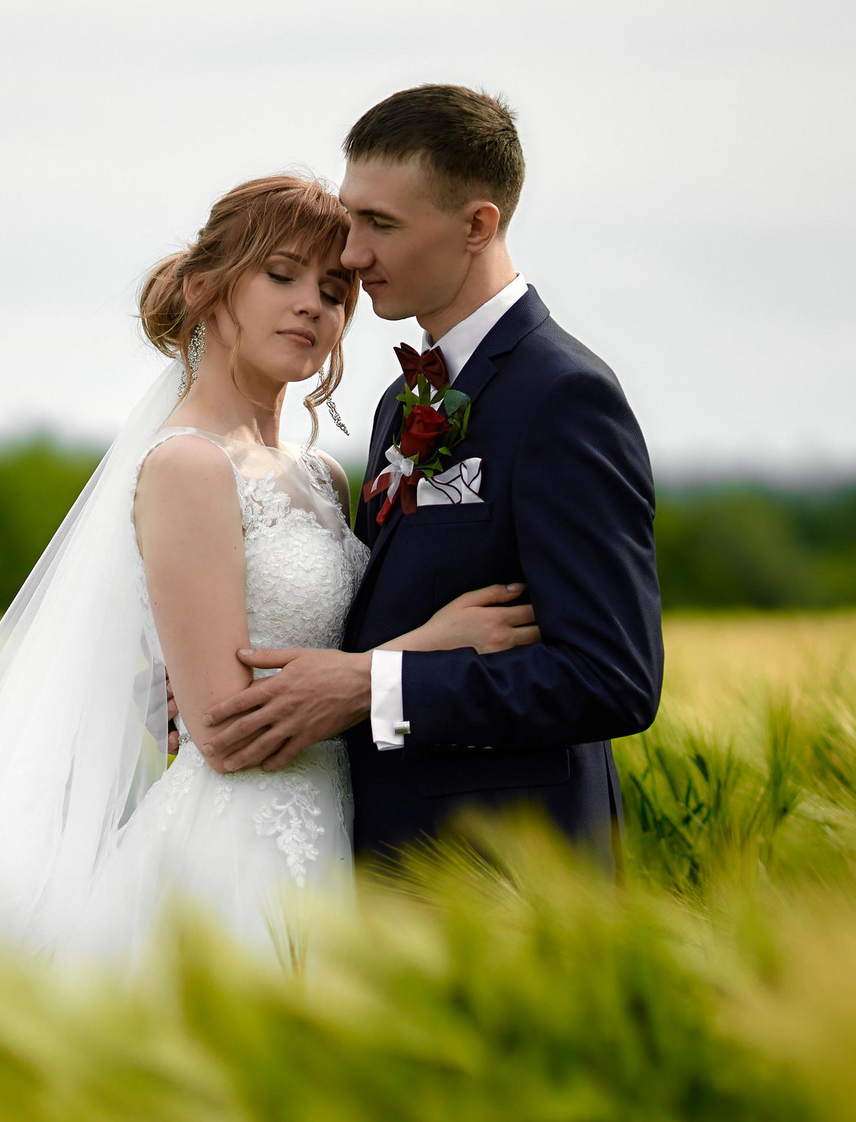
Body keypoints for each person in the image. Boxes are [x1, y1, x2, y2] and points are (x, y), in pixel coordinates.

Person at [0, 173, 535, 973]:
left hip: (343, 828)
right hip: (239, 855)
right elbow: (223, 726)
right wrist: (432, 646)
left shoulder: (320, 476)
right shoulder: (186, 465)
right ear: (208, 286)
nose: (312, 305)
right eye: (282, 275)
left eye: (333, 290)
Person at [195, 85, 664, 870]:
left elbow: (612, 677)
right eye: (352, 218)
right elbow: (366, 618)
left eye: (380, 224)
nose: (351, 254)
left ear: (477, 225)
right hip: (372, 863)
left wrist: (374, 689)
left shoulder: (564, 397)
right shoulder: (400, 402)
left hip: (505, 878)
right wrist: (217, 692)